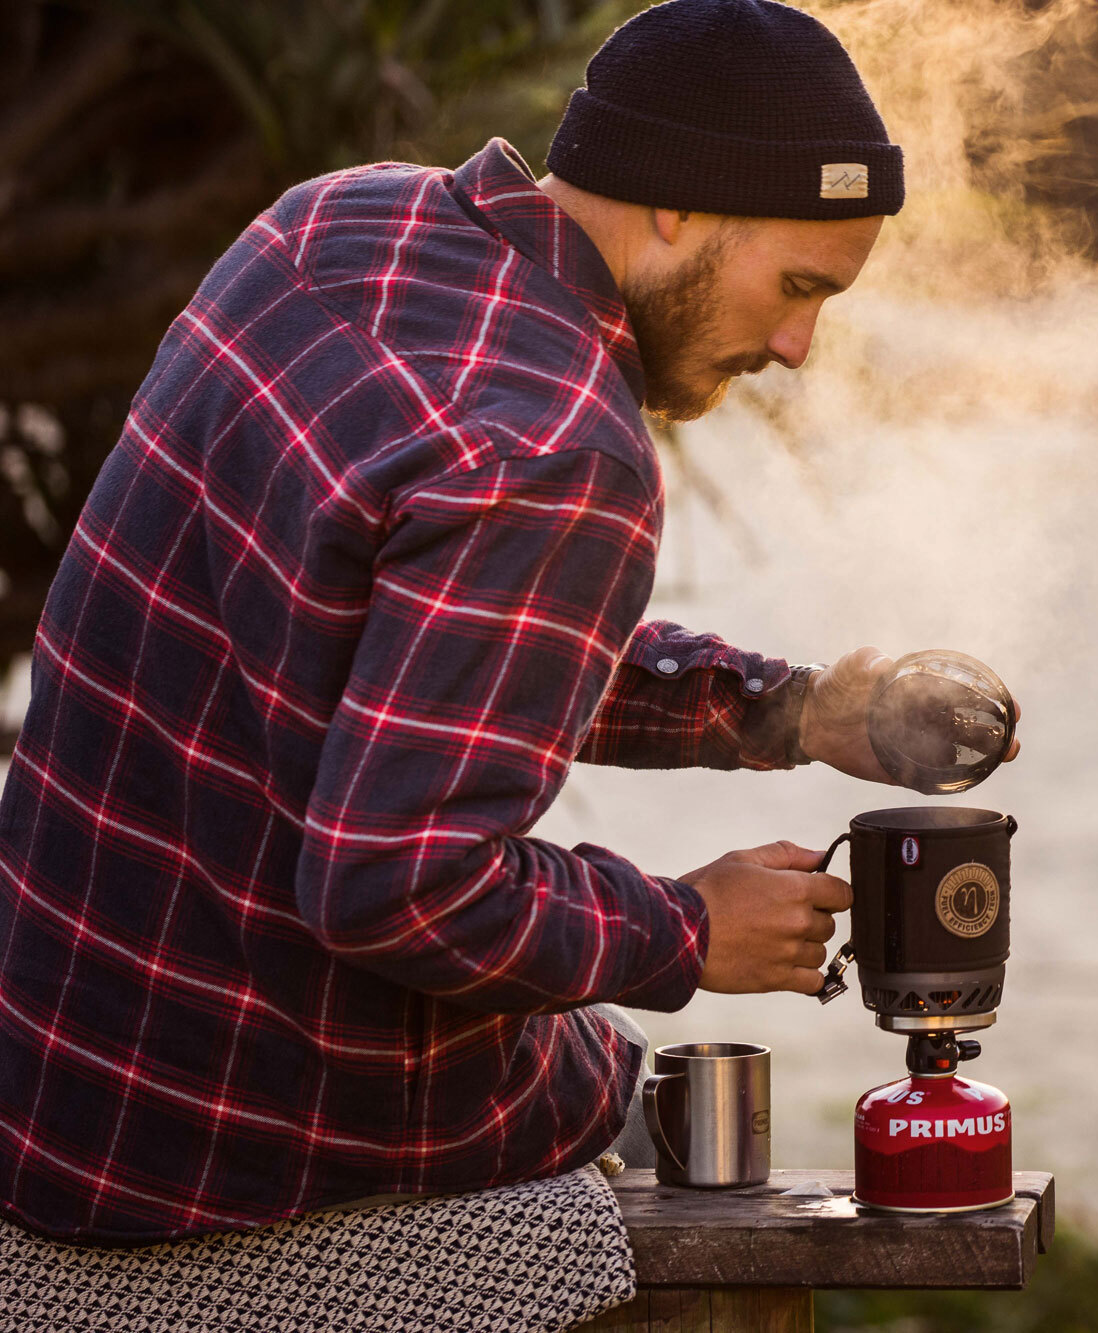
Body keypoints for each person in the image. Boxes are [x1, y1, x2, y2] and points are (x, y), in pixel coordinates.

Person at [0, 0, 1012, 1245]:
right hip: (207, 1121)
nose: (800, 347)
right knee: (624, 1084)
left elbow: (425, 651)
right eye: (797, 286)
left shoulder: (335, 222)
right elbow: (399, 889)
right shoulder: (562, 446)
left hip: (53, 1036)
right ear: (677, 203)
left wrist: (789, 711)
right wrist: (691, 929)